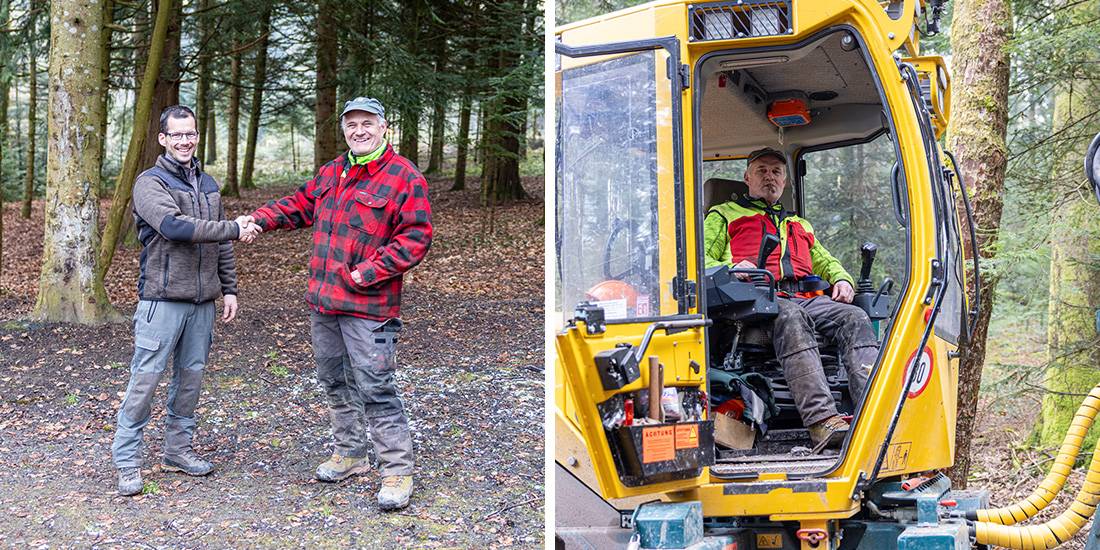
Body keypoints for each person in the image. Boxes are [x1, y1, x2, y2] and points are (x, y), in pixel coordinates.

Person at [242, 96, 432, 511]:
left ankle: (397, 470)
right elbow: (296, 205)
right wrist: (257, 219)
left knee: (377, 387)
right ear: (344, 129)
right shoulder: (333, 171)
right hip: (325, 305)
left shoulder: (404, 178)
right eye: (352, 124)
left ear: (385, 128)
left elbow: (416, 238)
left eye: (367, 123)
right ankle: (350, 454)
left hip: (373, 311)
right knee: (334, 381)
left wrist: (368, 272)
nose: (359, 130)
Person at [113, 105, 261, 496]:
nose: (184, 141)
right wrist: (234, 227)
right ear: (163, 139)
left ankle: (177, 451)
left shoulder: (209, 184)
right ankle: (127, 461)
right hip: (162, 301)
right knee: (145, 380)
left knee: (191, 379)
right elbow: (174, 228)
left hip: (202, 304)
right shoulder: (150, 183)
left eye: (190, 134)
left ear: (197, 136)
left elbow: (221, 244)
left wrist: (229, 288)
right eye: (176, 135)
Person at [703, 148, 877, 449]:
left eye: (776, 172)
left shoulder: (799, 224)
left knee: (855, 317)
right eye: (761, 170)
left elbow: (824, 259)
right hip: (753, 303)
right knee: (791, 317)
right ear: (747, 177)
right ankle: (823, 421)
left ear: (784, 182)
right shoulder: (723, 215)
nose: (769, 176)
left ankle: (875, 414)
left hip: (804, 297)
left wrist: (842, 278)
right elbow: (699, 258)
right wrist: (731, 268)